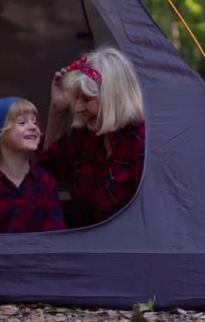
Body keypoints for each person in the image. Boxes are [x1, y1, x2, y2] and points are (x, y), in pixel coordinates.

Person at [39, 46, 145, 227]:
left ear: (113, 98)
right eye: (76, 99)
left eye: (87, 99)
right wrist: (58, 109)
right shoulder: (88, 135)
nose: (78, 108)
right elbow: (48, 171)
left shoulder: (142, 143)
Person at [0, 97, 66, 233]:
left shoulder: (46, 182)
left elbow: (56, 234)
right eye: (22, 122)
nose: (33, 127)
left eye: (34, 122)